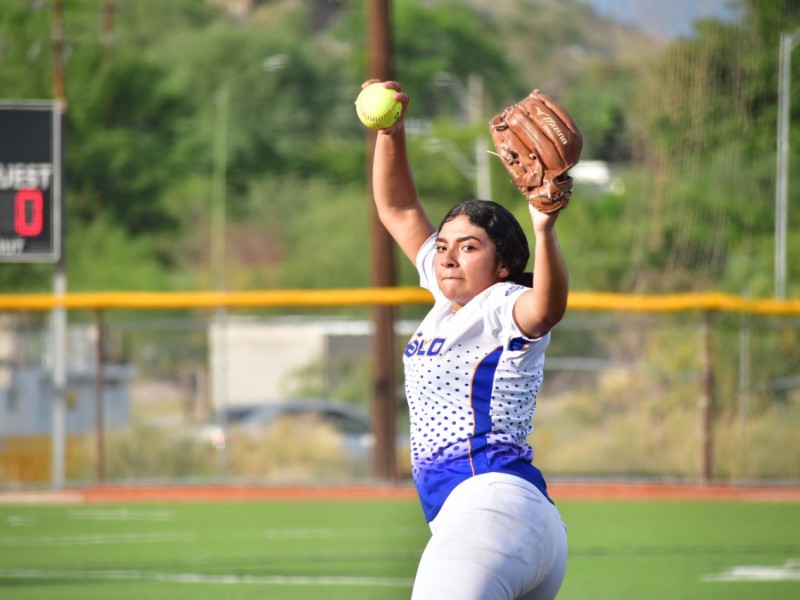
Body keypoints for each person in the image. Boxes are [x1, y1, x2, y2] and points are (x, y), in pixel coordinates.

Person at [368, 79, 569, 600]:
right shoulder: (446, 298)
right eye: (445, 246)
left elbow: (545, 309)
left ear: (503, 265)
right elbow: (398, 209)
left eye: (470, 246)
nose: (449, 255)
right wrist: (390, 133)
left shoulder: (501, 305)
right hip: (502, 521)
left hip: (492, 507)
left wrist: (544, 228)